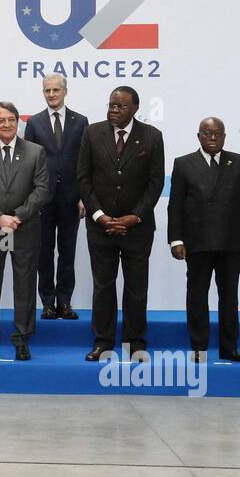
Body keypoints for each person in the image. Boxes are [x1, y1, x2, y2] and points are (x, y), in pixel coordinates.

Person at [75, 86, 164, 361]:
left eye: (120, 106)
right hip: (101, 226)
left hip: (137, 228)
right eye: (111, 105)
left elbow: (155, 183)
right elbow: (83, 178)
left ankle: (135, 340)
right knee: (103, 285)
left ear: (135, 108)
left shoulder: (152, 137)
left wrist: (135, 216)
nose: (114, 110)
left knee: (137, 287)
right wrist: (99, 215)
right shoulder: (92, 133)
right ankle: (103, 341)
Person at [167, 117, 240, 363]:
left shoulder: (239, 162)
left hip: (231, 243)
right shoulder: (184, 163)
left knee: (229, 297)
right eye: (207, 133)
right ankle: (199, 347)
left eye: (218, 133)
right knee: (197, 295)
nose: (213, 137)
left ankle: (229, 348)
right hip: (197, 243)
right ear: (198, 136)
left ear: (225, 137)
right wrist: (176, 240)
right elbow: (175, 206)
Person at [0, 102, 51, 361]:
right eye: (1, 120)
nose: (6, 124)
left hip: (24, 229)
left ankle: (21, 339)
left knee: (25, 286)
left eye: (11, 119)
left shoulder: (36, 152)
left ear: (18, 122)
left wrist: (17, 217)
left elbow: (41, 190)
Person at [23, 74, 88, 320]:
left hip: (72, 198)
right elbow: (29, 163)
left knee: (67, 252)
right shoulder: (35, 122)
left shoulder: (81, 121)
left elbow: (85, 162)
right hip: (42, 199)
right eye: (47, 90)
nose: (51, 94)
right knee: (44, 253)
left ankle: (65, 302)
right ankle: (47, 303)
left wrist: (83, 196)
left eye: (55, 90)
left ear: (65, 92)